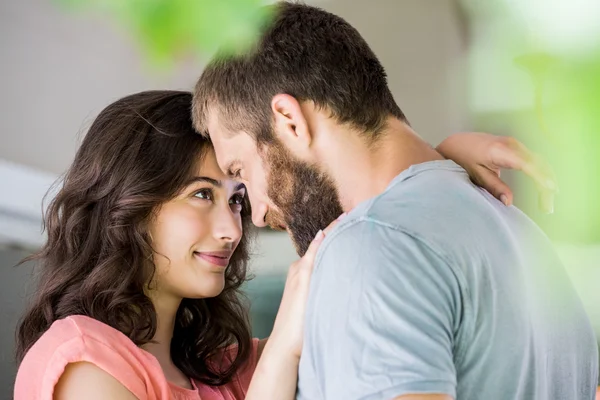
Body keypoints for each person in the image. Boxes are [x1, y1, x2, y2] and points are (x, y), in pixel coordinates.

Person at [14, 90, 551, 400]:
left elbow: (346, 216)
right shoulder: (84, 360)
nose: (231, 229)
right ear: (127, 204)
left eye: (238, 199)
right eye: (202, 194)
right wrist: (278, 364)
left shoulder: (224, 369)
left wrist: (435, 165)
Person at [192, 2, 599, 400]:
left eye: (241, 170)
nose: (258, 214)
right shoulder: (511, 225)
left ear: (290, 122)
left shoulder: (369, 249)